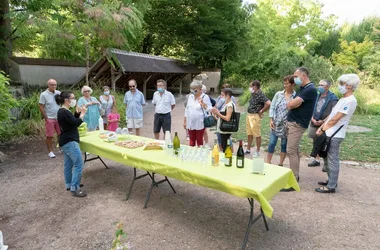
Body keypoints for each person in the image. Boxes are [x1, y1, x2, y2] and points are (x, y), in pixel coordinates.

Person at [315, 74, 359, 193]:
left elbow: (336, 119)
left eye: (341, 84)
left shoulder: (350, 101)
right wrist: (323, 126)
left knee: (332, 159)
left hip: (335, 135)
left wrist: (322, 129)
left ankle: (331, 186)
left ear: (349, 86)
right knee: (326, 158)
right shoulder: (343, 99)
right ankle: (330, 180)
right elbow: (332, 115)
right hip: (329, 132)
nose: (339, 86)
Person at [283, 67, 317, 191]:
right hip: (293, 122)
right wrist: (292, 104)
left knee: (290, 151)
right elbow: (292, 104)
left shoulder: (310, 89)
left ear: (304, 76)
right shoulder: (303, 89)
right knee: (294, 151)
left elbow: (291, 104)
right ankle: (295, 177)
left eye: (296, 76)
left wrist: (292, 104)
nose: (294, 78)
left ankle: (292, 181)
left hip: (297, 124)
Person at [55, 91, 88, 197]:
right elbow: (76, 123)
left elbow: (71, 121)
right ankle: (75, 188)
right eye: (73, 98)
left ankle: (69, 184)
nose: (74, 100)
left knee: (68, 164)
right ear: (66, 100)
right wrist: (82, 114)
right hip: (70, 141)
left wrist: (77, 113)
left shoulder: (63, 111)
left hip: (65, 141)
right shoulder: (64, 112)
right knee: (78, 164)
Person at [307, 80, 338, 168]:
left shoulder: (333, 98)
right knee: (316, 141)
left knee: (325, 143)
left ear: (327, 87)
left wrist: (323, 121)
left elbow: (334, 112)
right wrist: (312, 118)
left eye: (322, 85)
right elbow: (312, 107)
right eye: (319, 84)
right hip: (314, 122)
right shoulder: (317, 95)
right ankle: (316, 160)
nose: (319, 86)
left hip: (324, 124)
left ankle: (326, 164)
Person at [266, 75, 296, 166]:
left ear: (292, 84)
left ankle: (280, 163)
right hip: (275, 123)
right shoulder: (278, 94)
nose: (284, 85)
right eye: (284, 83)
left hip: (286, 125)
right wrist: (271, 119)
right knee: (271, 143)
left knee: (283, 145)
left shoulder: (296, 96)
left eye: (287, 83)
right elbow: (272, 107)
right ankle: (268, 162)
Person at [245, 80, 271, 157]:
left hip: (255, 116)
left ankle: (258, 151)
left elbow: (268, 103)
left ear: (255, 86)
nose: (250, 88)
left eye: (251, 86)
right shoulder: (253, 93)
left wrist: (262, 110)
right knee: (249, 133)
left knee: (257, 134)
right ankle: (248, 149)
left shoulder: (260, 94)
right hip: (249, 115)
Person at [184, 80, 212, 147]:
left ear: (200, 89)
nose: (193, 91)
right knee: (191, 140)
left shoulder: (205, 97)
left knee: (199, 140)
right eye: (192, 89)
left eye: (195, 89)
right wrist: (185, 120)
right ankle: (191, 154)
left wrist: (203, 103)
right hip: (190, 122)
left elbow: (210, 109)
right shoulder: (190, 97)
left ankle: (200, 154)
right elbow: (187, 109)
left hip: (200, 122)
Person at [39, 79, 61, 158]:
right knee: (50, 135)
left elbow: (61, 103)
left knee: (61, 133)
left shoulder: (58, 93)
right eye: (52, 85)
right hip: (50, 118)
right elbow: (41, 106)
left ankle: (61, 147)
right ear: (48, 85)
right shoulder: (44, 94)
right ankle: (50, 151)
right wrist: (46, 117)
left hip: (59, 117)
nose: (54, 86)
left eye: (55, 84)